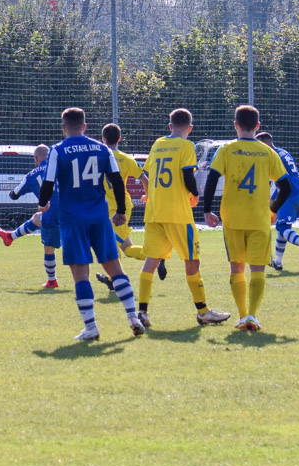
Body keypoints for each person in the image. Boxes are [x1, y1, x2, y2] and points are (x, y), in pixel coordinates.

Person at [31, 108, 144, 341]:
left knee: (80, 274)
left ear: (64, 128)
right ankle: (133, 317)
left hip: (72, 220)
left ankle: (91, 327)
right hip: (100, 218)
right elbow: (116, 180)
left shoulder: (57, 150)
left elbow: (48, 183)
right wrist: (121, 211)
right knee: (115, 268)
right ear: (84, 126)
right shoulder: (102, 148)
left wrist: (43, 204)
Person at [202, 105, 294, 332]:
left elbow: (212, 179)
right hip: (259, 219)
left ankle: (243, 315)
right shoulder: (268, 152)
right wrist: (273, 209)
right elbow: (286, 187)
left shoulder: (226, 149)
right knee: (258, 270)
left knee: (237, 269)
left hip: (232, 219)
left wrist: (207, 210)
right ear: (258, 126)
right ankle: (252, 315)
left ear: (235, 125)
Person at [137, 108, 231, 327]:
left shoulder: (158, 144)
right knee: (192, 261)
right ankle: (203, 312)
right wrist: (195, 193)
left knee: (151, 261)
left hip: (154, 213)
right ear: (190, 128)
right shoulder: (187, 146)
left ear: (170, 126)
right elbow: (187, 175)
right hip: (177, 213)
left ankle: (142, 311)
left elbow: (151, 174)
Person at [0, 145, 62, 289]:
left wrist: (13, 191)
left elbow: (14, 195)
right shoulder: (61, 168)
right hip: (71, 212)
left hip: (53, 216)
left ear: (36, 158)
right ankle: (10, 237)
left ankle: (52, 281)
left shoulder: (32, 175)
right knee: (38, 217)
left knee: (49, 248)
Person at [93, 122, 146, 291]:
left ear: (102, 138)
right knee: (124, 247)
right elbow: (144, 180)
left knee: (116, 246)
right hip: (123, 206)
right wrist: (149, 197)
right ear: (120, 139)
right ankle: (113, 278)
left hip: (112, 209)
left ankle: (154, 256)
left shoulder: (97, 158)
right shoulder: (126, 159)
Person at [255, 132, 299, 269]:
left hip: (291, 194)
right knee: (282, 226)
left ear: (265, 143)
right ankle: (278, 262)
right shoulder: (283, 152)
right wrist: (273, 198)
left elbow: (279, 182)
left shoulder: (272, 156)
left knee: (282, 228)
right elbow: (283, 180)